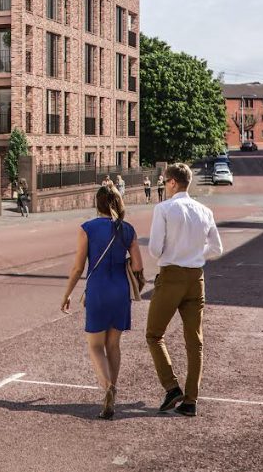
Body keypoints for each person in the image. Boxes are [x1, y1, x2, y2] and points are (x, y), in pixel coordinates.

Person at [146, 163, 223, 417]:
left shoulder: (164, 208)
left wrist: (175, 251)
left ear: (171, 183)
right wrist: (194, 253)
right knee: (195, 343)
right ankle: (191, 400)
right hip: (196, 277)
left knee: (155, 334)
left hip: (171, 276)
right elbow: (217, 248)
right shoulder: (205, 210)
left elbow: (155, 249)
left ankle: (171, 387)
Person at [61, 186, 143, 419]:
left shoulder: (87, 228)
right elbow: (137, 266)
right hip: (120, 289)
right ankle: (112, 393)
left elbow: (78, 267)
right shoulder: (127, 229)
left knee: (95, 346)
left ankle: (107, 387)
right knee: (114, 345)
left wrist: (67, 294)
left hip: (97, 289)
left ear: (97, 204)